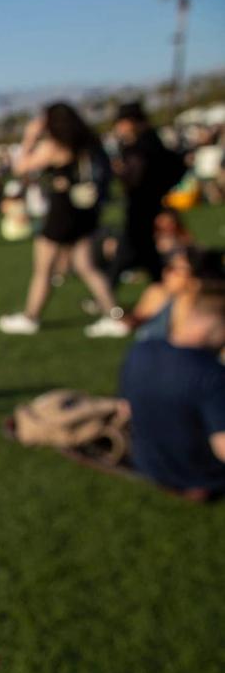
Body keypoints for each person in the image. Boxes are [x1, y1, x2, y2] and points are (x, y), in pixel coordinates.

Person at [0, 103, 127, 337]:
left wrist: (29, 137)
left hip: (61, 214)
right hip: (84, 212)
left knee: (43, 269)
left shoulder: (54, 146)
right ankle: (114, 315)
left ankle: (31, 316)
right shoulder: (87, 143)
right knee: (86, 266)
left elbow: (19, 167)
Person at [120, 286, 225, 501]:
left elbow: (125, 408)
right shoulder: (212, 375)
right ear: (216, 324)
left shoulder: (140, 350)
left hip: (148, 464)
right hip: (200, 476)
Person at [107, 102, 186, 293]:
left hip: (142, 204)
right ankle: (162, 286)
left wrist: (120, 171)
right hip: (147, 203)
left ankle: (106, 296)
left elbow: (136, 178)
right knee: (145, 251)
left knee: (129, 249)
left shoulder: (141, 145)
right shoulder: (147, 141)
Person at [130, 247, 224, 341]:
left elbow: (180, 339)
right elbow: (135, 319)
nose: (166, 272)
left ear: (194, 279)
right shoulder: (155, 292)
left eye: (175, 269)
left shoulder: (198, 304)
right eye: (169, 266)